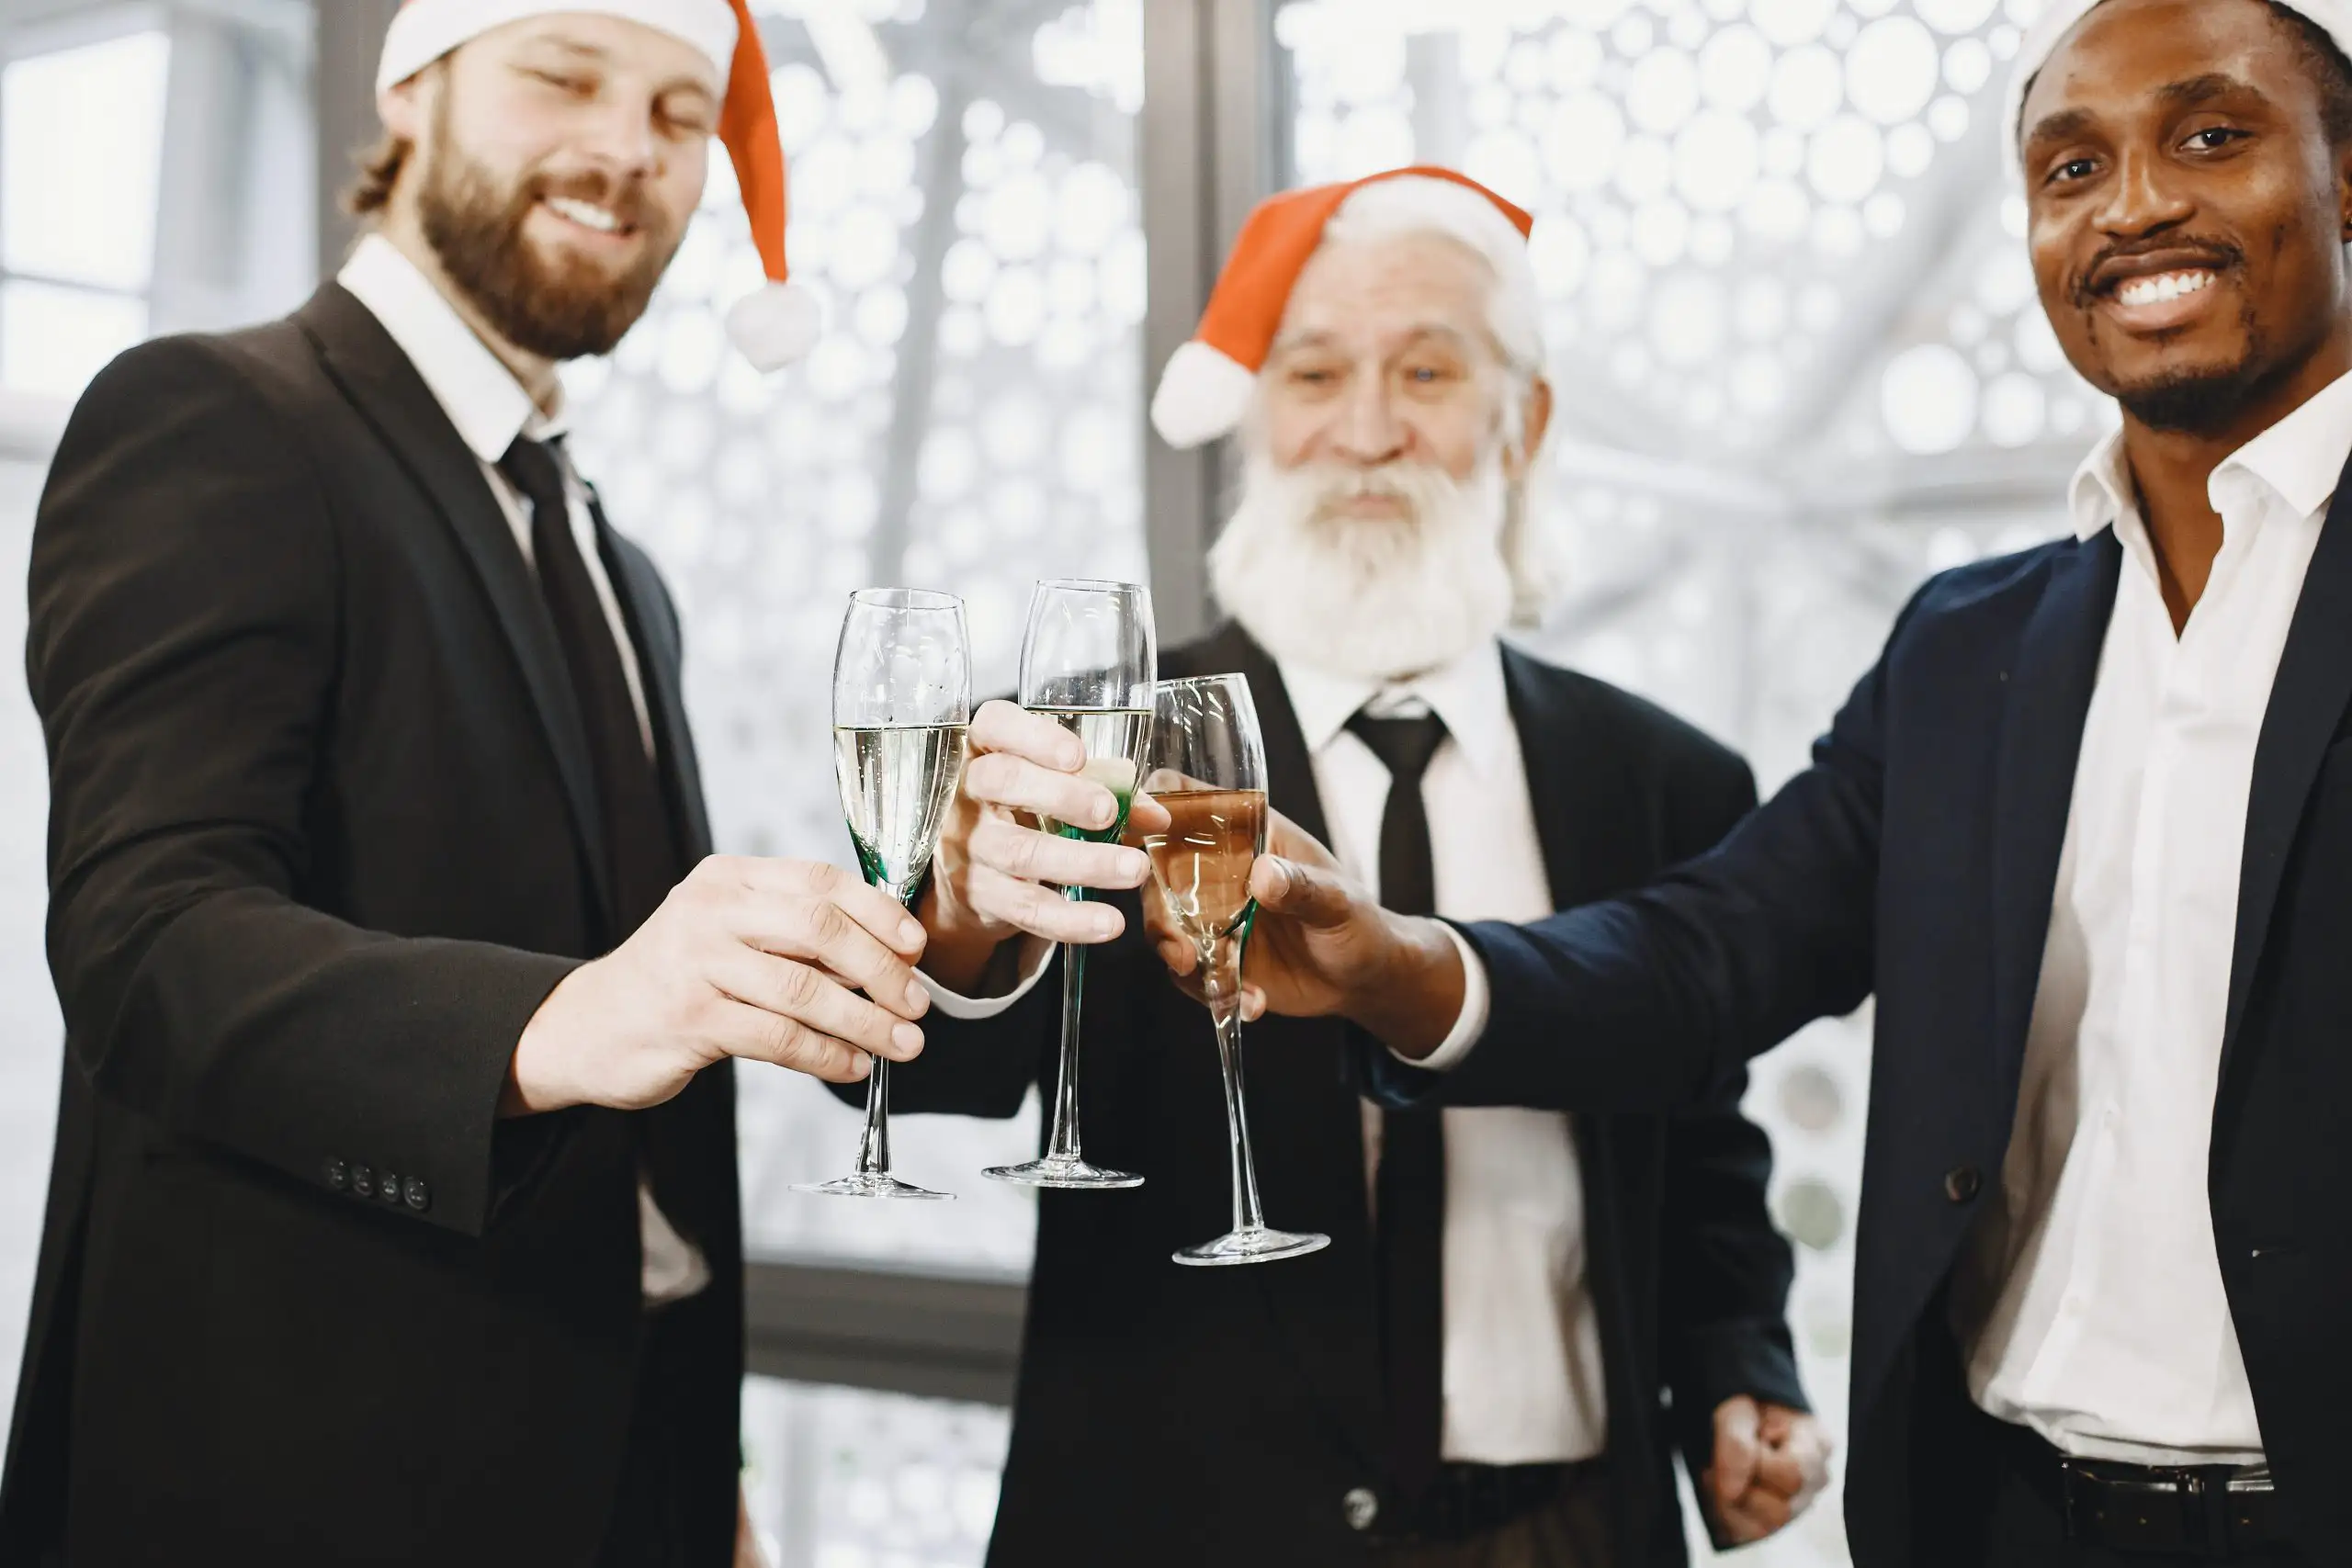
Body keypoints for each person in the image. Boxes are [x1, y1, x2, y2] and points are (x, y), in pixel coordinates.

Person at [1170, 4, 2352, 1564]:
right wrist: (1396, 967)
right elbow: (1705, 953)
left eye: (2211, 136)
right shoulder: (1969, 649)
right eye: (2071, 166)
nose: (2132, 203)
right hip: (1998, 1514)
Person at [0, 5, 931, 1565]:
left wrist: (701, 1471)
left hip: (635, 1476)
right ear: (413, 95)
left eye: (679, 113)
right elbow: (145, 943)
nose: (625, 148)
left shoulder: (619, 569)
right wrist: (571, 1015)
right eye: (564, 77)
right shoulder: (212, 417)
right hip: (301, 1492)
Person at [890, 168, 1829, 1567]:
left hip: (1565, 1524)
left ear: (1528, 422)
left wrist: (1743, 1361)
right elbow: (928, 1069)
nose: (1369, 430)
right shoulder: (1095, 740)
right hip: (1177, 1526)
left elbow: (1699, 1145)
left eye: (1430, 370)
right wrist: (961, 907)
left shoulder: (1665, 776)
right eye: (1315, 372)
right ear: (1258, 418)